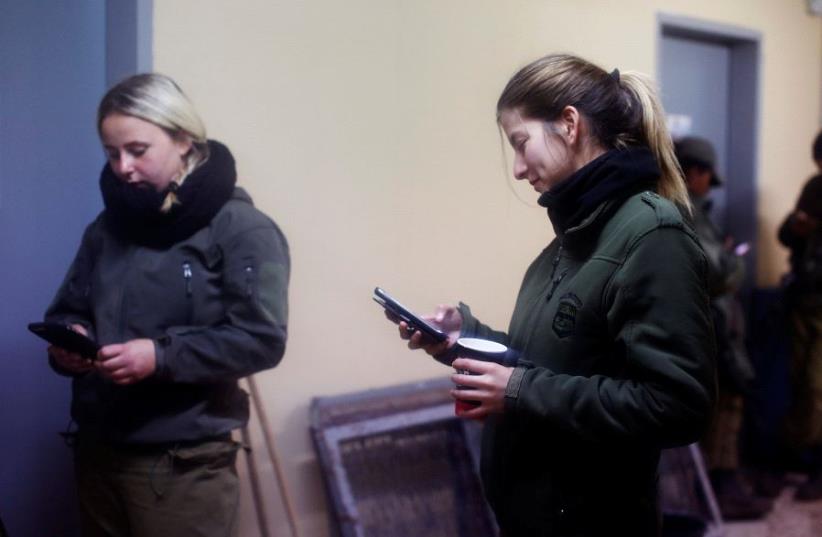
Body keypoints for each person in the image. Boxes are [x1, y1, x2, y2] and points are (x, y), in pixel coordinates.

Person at [388, 54, 716, 536]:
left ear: (569, 124)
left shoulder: (651, 236)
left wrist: (518, 391)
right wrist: (462, 339)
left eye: (521, 144)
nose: (518, 169)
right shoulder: (568, 242)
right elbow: (554, 362)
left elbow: (677, 404)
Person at [43, 73, 290, 536]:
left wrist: (158, 356)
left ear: (183, 140)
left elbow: (261, 340)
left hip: (182, 467)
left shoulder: (241, 229)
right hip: (97, 452)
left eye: (137, 150)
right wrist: (70, 342)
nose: (122, 167)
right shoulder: (107, 228)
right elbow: (69, 310)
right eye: (111, 153)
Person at [675, 136, 771, 519]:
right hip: (709, 329)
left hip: (709, 327)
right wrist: (734, 263)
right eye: (704, 176)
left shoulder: (685, 210)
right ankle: (719, 489)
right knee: (724, 405)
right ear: (696, 172)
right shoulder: (685, 212)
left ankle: (722, 484)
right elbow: (716, 272)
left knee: (726, 403)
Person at [778, 129, 822, 500]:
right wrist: (797, 227)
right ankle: (802, 456)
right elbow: (785, 234)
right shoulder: (814, 188)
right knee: (799, 381)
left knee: (817, 384)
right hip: (805, 300)